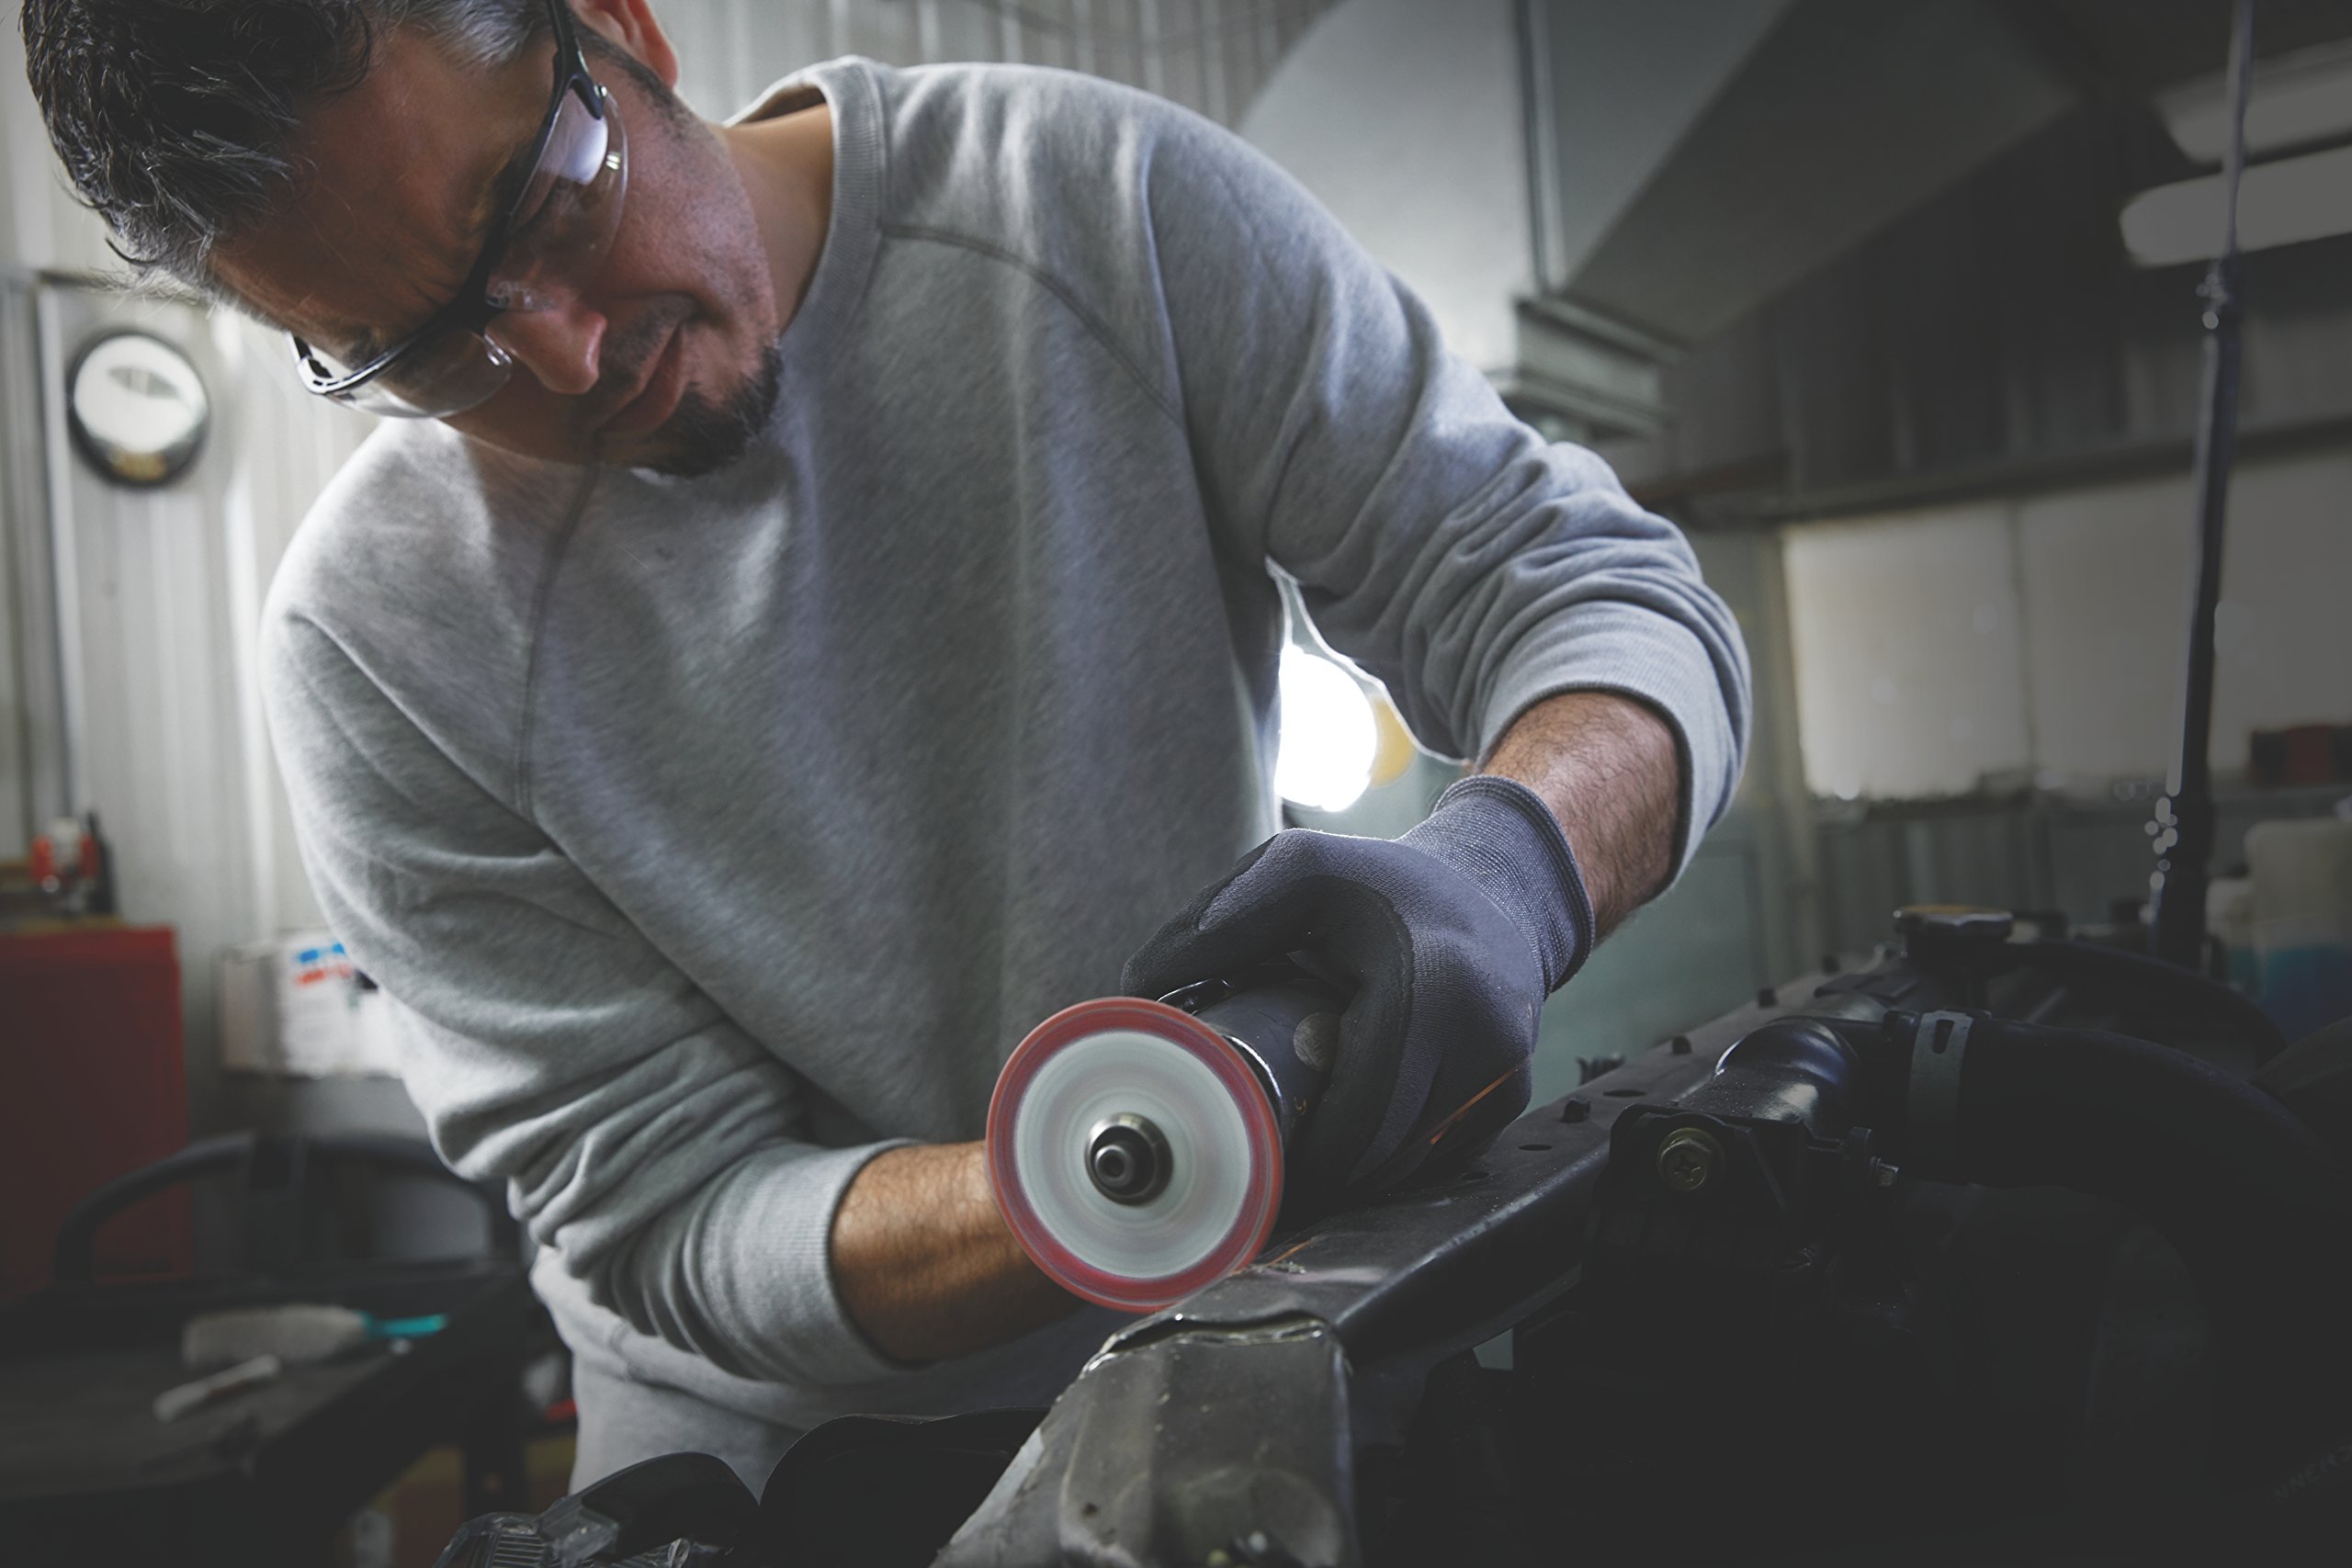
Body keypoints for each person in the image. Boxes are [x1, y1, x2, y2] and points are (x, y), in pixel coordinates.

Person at [24, 0, 1750, 1490]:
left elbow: (1582, 591)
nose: (558, 353)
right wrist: (1120, 1162)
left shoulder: (1092, 211)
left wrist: (1510, 871)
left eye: (539, 206)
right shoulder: (377, 640)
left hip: (1262, 1366)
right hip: (783, 1483)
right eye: (416, 348)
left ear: (618, 27)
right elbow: (673, 1215)